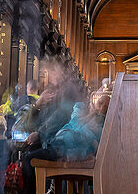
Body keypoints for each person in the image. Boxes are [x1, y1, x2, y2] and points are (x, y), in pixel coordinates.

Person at [20, 58, 83, 191]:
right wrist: (38, 105)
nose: (48, 75)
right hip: (53, 142)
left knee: (29, 159)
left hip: (64, 146)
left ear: (57, 71)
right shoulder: (54, 93)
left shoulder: (68, 90)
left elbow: (62, 116)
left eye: (49, 71)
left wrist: (39, 134)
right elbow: (30, 124)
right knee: (25, 153)